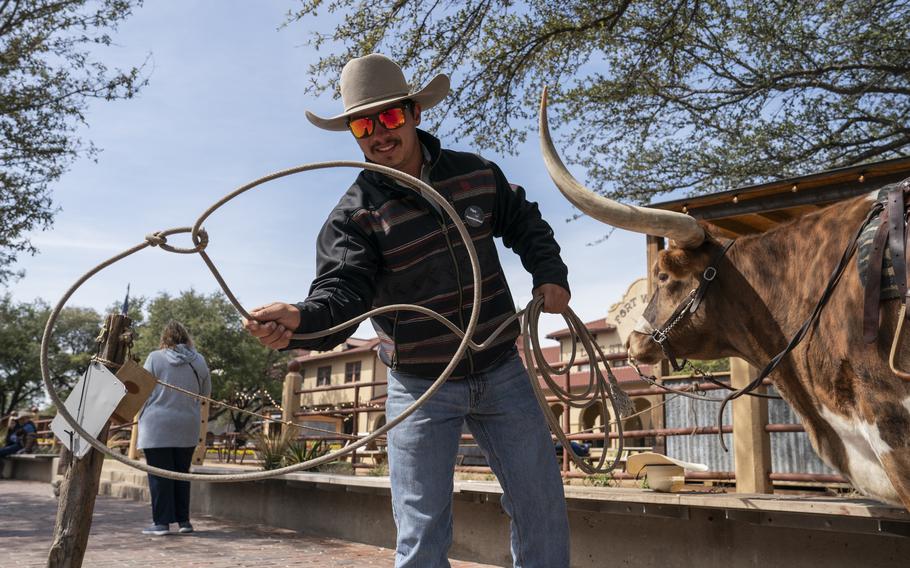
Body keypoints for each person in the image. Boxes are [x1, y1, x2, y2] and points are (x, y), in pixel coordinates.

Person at [244, 54, 571, 567]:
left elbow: (524, 221)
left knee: (542, 506)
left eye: (390, 118)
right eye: (363, 124)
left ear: (414, 112)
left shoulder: (476, 174)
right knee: (421, 529)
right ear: (354, 133)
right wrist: (302, 319)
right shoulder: (353, 217)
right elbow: (342, 293)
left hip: (500, 368)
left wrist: (550, 274)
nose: (378, 133)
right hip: (420, 385)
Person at [137, 320, 211, 536]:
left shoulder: (154, 358)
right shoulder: (199, 361)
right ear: (186, 337)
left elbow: (142, 391)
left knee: (160, 476)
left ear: (164, 338)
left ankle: (161, 523)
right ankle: (184, 522)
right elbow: (205, 393)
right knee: (181, 474)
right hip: (187, 424)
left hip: (156, 425)